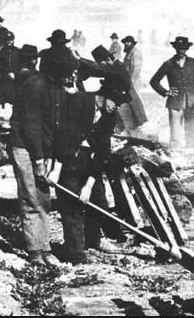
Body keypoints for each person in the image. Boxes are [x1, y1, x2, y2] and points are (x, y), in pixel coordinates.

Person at [7, 50, 80, 267]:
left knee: (43, 197)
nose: (72, 78)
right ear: (58, 71)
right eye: (69, 74)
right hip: (23, 145)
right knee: (30, 197)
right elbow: (32, 127)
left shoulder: (58, 90)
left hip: (41, 147)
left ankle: (45, 246)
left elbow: (53, 128)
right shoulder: (34, 86)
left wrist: (50, 158)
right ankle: (34, 251)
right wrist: (39, 160)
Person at [52, 74, 132, 265]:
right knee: (72, 206)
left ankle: (92, 242)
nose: (116, 106)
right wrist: (56, 168)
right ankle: (76, 255)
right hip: (67, 158)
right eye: (115, 101)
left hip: (87, 160)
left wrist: (89, 184)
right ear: (104, 94)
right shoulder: (78, 101)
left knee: (99, 203)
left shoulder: (109, 115)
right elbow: (62, 137)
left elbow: (103, 151)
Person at [150, 36, 194, 150]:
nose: (181, 50)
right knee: (175, 132)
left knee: (190, 130)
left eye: (184, 48)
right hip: (174, 102)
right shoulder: (168, 64)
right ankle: (175, 153)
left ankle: (191, 152)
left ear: (187, 49)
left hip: (192, 101)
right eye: (179, 48)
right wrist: (166, 92)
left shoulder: (193, 63)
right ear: (175, 48)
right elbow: (154, 81)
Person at [92, 45, 147, 136]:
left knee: (130, 127)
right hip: (122, 100)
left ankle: (140, 141)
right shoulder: (115, 67)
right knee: (125, 126)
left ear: (108, 60)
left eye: (102, 64)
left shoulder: (117, 68)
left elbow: (117, 86)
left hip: (125, 101)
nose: (102, 67)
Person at [0, 31, 20, 106]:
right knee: (4, 97)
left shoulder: (18, 51)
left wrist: (15, 74)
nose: (9, 42)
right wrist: (7, 73)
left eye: (11, 40)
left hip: (15, 78)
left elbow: (19, 64)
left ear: (13, 40)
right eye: (7, 40)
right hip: (5, 77)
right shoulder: (0, 52)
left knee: (15, 98)